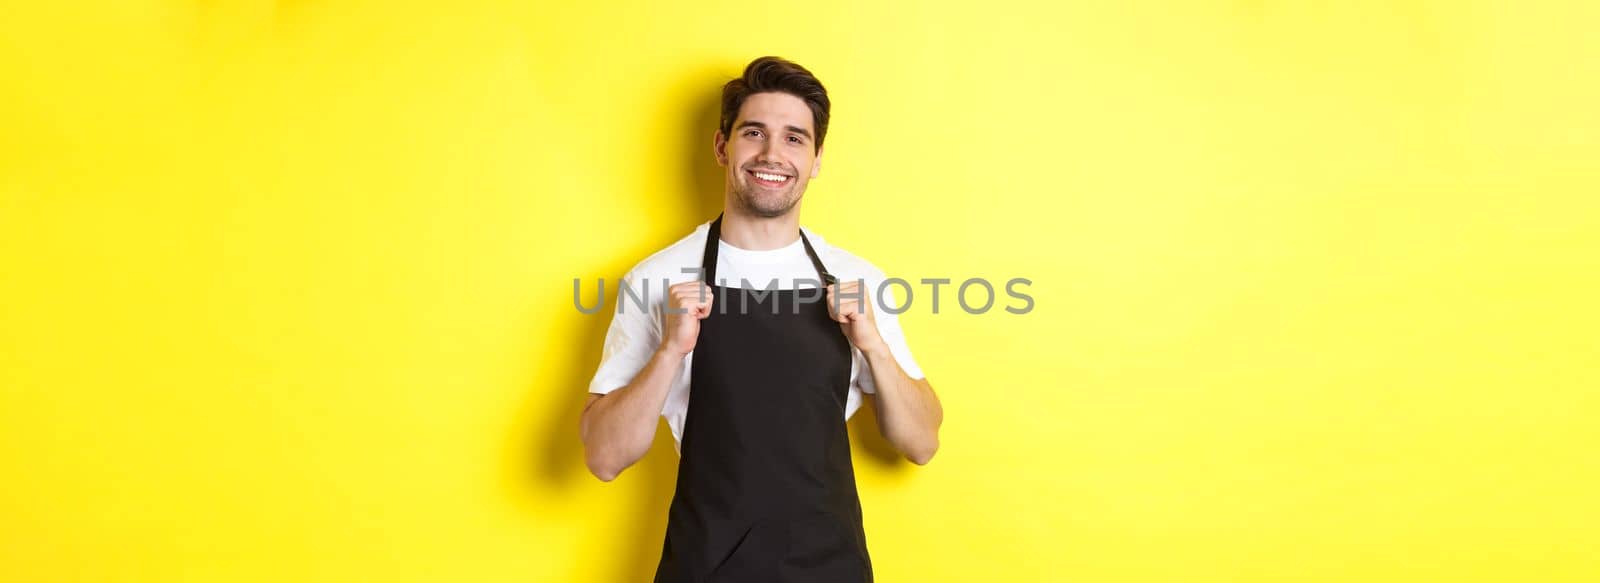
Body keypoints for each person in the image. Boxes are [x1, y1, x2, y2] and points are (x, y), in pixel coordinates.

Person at [579, 56, 943, 582]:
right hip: (704, 567)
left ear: (817, 158)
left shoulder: (854, 279)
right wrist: (669, 351)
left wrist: (874, 345)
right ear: (723, 146)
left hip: (831, 568)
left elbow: (921, 444)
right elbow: (604, 457)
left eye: (795, 138)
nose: (773, 154)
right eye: (755, 133)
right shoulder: (657, 278)